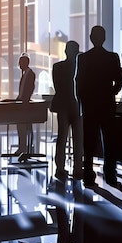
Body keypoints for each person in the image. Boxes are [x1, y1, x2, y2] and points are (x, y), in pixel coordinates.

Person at [76, 26, 122, 187]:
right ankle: (110, 174)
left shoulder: (83, 58)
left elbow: (78, 82)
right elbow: (119, 80)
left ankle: (88, 174)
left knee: (89, 141)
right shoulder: (112, 57)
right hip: (106, 104)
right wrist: (110, 93)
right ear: (104, 38)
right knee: (110, 141)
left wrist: (82, 100)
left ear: (91, 37)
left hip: (90, 105)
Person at [50, 41, 84, 180]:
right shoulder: (80, 67)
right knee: (78, 139)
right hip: (77, 106)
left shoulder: (57, 67)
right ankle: (77, 168)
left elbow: (58, 87)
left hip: (63, 105)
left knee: (62, 137)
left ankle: (60, 168)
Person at [14, 53, 36, 160]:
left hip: (25, 105)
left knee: (25, 127)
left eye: (20, 62)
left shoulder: (30, 74)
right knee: (21, 127)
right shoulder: (25, 74)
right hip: (22, 103)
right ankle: (22, 147)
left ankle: (25, 148)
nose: (19, 64)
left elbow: (28, 90)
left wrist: (23, 99)